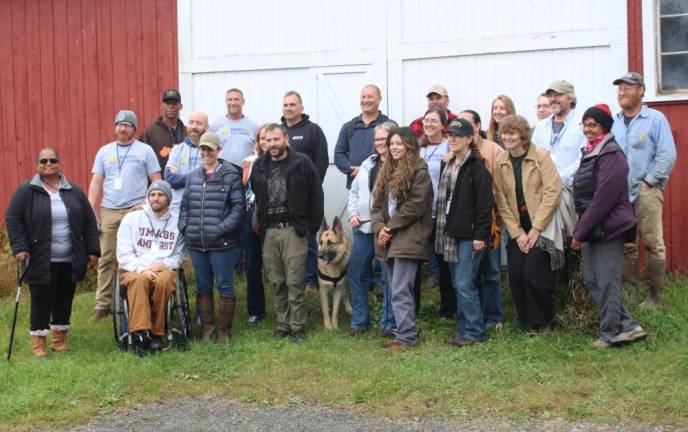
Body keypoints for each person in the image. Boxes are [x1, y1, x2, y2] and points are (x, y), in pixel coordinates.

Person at [6, 148, 100, 357]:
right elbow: (13, 219)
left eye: (53, 160)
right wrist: (20, 247)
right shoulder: (26, 191)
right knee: (41, 299)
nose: (48, 164)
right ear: (37, 164)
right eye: (43, 161)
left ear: (59, 163)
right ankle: (39, 343)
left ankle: (60, 339)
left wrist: (93, 250)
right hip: (38, 258)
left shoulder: (73, 191)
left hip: (70, 256)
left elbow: (88, 221)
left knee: (64, 298)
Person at [571, 104, 647, 348]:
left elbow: (603, 201)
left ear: (604, 127)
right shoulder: (591, 152)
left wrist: (579, 232)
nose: (588, 129)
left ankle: (610, 333)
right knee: (592, 278)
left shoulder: (612, 155)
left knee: (607, 280)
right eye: (585, 124)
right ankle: (629, 325)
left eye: (593, 125)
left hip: (608, 228)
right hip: (594, 227)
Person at [251, 124, 324, 343]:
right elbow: (257, 195)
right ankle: (283, 325)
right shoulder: (259, 166)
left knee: (294, 280)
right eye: (268, 140)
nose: (272, 144)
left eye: (276, 139)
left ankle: (298, 327)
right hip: (270, 231)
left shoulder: (302, 163)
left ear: (285, 139)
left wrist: (311, 227)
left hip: (294, 230)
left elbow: (316, 196)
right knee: (277, 281)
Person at [611, 72, 677, 309]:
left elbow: (667, 154)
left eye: (627, 88)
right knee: (627, 244)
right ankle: (629, 293)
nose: (622, 92)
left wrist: (649, 181)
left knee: (652, 242)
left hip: (646, 190)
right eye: (619, 88)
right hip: (620, 193)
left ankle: (654, 297)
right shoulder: (615, 122)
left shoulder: (655, 119)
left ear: (641, 90)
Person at [88, 110, 162, 322]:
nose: (123, 128)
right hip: (110, 211)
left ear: (134, 128)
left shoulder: (145, 151)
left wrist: (146, 204)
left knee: (138, 257)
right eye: (119, 124)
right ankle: (102, 305)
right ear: (115, 127)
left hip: (136, 210)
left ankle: (135, 299)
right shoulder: (104, 151)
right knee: (107, 258)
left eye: (127, 125)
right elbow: (96, 181)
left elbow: (156, 180)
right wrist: (90, 208)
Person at [493, 115, 562, 330]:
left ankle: (543, 321)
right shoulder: (501, 161)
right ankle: (526, 323)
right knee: (515, 274)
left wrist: (536, 229)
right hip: (518, 227)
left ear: (523, 135)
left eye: (512, 133)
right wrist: (518, 233)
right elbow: (501, 198)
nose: (507, 137)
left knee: (534, 273)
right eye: (505, 133)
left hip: (543, 224)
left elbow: (553, 191)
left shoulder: (541, 156)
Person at [178, 132, 245, 342]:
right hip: (197, 243)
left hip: (222, 243)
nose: (206, 153)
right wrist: (185, 227)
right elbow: (185, 206)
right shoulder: (193, 176)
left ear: (219, 150)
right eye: (203, 149)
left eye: (210, 149)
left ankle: (224, 330)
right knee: (202, 286)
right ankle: (207, 328)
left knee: (225, 285)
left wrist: (221, 228)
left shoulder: (231, 175)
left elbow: (238, 207)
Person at [371, 127, 433, 350]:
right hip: (388, 236)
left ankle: (406, 337)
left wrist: (389, 227)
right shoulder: (387, 169)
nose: (394, 147)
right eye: (391, 144)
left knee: (400, 288)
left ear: (409, 145)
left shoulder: (419, 170)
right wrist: (379, 228)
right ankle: (404, 331)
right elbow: (376, 205)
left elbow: (415, 206)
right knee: (394, 288)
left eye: (398, 143)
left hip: (409, 236)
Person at [435, 118, 493, 347]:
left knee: (464, 283)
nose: (452, 139)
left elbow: (484, 205)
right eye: (449, 135)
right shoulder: (449, 165)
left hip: (470, 236)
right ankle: (463, 330)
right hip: (450, 234)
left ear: (470, 138)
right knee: (459, 283)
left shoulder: (477, 168)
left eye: (457, 136)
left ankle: (474, 332)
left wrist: (481, 235)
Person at [116, 181, 185, 355]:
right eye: (152, 195)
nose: (156, 198)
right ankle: (140, 334)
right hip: (134, 268)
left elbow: (178, 256)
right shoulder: (132, 219)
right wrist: (141, 269)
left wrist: (164, 264)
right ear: (148, 198)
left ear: (168, 199)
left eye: (160, 195)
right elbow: (123, 253)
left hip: (163, 268)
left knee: (163, 280)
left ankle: (156, 333)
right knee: (139, 281)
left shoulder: (176, 223)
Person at [346, 121, 397, 336]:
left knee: (388, 278)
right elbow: (354, 192)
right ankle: (360, 322)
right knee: (355, 273)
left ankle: (389, 324)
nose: (379, 143)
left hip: (389, 231)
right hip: (364, 229)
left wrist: (389, 226)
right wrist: (353, 214)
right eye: (376, 139)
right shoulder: (367, 164)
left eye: (384, 139)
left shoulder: (401, 164)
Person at [457, 110, 505, 329]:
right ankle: (471, 319)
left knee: (492, 271)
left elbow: (500, 186)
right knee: (468, 276)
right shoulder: (454, 155)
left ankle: (493, 317)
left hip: (490, 221)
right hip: (465, 226)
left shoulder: (493, 150)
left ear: (476, 127)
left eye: (466, 124)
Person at [280, 90, 329, 292]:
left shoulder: (313, 130)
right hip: (281, 197)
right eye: (286, 105)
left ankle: (310, 280)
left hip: (306, 197)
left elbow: (322, 161)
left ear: (301, 107)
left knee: (307, 238)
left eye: (293, 105)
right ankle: (289, 278)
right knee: (284, 239)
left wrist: (312, 188)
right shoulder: (278, 131)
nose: (289, 108)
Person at [418, 107, 452, 317]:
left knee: (444, 264)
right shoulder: (418, 148)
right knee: (416, 262)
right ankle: (413, 309)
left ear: (442, 124)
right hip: (421, 215)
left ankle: (448, 309)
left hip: (441, 214)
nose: (429, 124)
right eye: (426, 121)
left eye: (433, 121)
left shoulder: (449, 146)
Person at [334, 84, 396, 188]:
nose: (366, 100)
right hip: (355, 184)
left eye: (370, 97)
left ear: (379, 99)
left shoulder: (390, 125)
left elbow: (397, 153)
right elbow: (339, 154)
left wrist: (367, 171)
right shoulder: (349, 127)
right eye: (363, 97)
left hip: (383, 185)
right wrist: (352, 169)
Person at [240, 124, 270, 323]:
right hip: (251, 215)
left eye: (270, 139)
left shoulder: (286, 161)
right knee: (252, 264)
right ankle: (255, 310)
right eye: (263, 139)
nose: (267, 143)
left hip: (275, 216)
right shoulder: (250, 162)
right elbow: (242, 188)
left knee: (278, 264)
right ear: (257, 142)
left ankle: (285, 308)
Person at [532, 80, 586, 186]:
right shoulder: (541, 126)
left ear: (570, 98)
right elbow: (532, 155)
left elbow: (582, 159)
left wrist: (559, 178)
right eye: (550, 96)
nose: (552, 99)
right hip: (544, 189)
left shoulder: (582, 125)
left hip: (570, 189)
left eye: (557, 95)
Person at [164, 111, 208, 216]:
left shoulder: (210, 151)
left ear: (206, 127)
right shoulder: (176, 150)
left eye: (198, 123)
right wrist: (198, 177)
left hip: (202, 209)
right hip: (177, 209)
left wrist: (181, 177)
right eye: (191, 122)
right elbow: (169, 178)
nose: (194, 126)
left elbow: (210, 178)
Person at [209, 88, 260, 166]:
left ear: (243, 102)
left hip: (246, 173)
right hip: (222, 174)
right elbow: (208, 151)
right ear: (226, 102)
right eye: (230, 100)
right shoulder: (215, 126)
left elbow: (261, 151)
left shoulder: (254, 126)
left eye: (236, 99)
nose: (233, 103)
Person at [139, 89, 187, 172]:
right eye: (167, 103)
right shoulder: (149, 133)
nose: (171, 106)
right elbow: (141, 161)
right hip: (159, 183)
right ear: (162, 106)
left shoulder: (187, 132)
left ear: (181, 106)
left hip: (184, 182)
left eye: (174, 103)